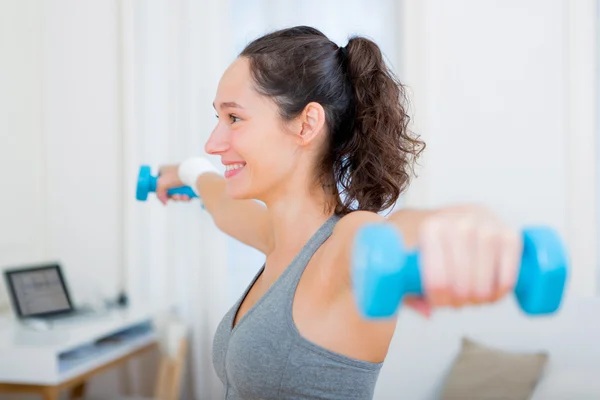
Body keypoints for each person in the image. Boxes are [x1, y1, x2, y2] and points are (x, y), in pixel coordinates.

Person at [156, 26, 522, 400]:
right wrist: (186, 171)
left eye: (234, 118)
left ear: (306, 124)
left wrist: (461, 227)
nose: (213, 143)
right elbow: (220, 204)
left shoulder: (344, 245)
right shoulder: (279, 238)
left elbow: (400, 234)